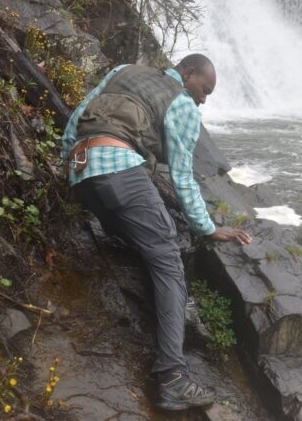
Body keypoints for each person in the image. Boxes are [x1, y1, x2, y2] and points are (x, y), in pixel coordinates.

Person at [60, 54, 252, 411]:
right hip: (120, 173)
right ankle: (172, 379)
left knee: (135, 238)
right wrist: (208, 228)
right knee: (167, 260)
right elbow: (181, 178)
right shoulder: (181, 104)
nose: (204, 99)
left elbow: (76, 120)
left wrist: (67, 171)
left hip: (84, 175)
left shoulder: (123, 71)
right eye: (205, 89)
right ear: (187, 73)